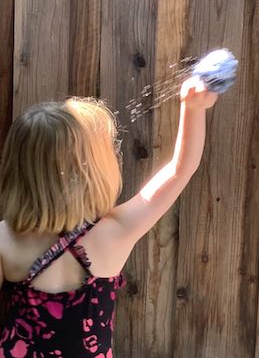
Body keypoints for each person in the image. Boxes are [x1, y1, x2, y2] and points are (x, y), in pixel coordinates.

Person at [0, 77, 217, 357]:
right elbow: (180, 169)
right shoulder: (115, 232)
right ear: (91, 171)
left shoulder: (6, 239)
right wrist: (193, 107)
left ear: (17, 169)